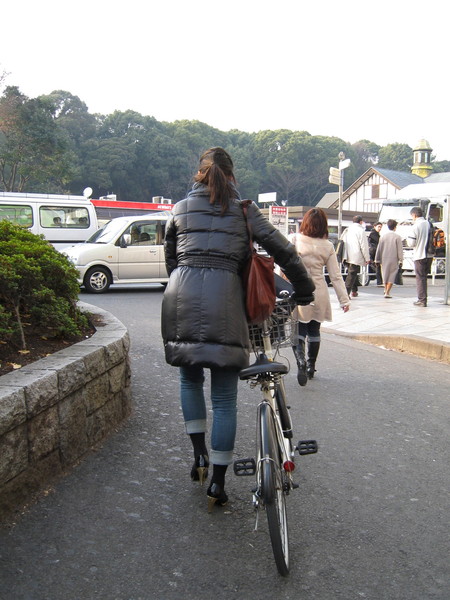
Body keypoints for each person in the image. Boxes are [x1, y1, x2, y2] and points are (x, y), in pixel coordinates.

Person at [161, 147, 315, 511]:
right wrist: (305, 290)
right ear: (231, 176)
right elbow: (285, 254)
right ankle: (217, 480)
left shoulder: (180, 208)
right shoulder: (245, 211)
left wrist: (186, 282)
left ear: (199, 174)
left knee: (189, 380)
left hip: (180, 296)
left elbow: (170, 256)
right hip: (225, 302)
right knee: (225, 398)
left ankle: (198, 457)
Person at [292, 208, 350, 383]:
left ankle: (300, 361)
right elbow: (335, 276)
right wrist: (344, 300)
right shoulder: (328, 246)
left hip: (300, 290)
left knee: (299, 329)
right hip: (319, 292)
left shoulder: (295, 240)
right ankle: (311, 366)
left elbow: (285, 268)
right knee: (314, 330)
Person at [407, 206, 434, 307]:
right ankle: (423, 298)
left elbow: (411, 243)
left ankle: (422, 300)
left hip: (420, 254)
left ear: (414, 215)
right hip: (430, 254)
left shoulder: (416, 226)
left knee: (420, 278)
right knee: (424, 277)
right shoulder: (429, 223)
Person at [341, 215, 370, 298]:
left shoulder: (347, 229)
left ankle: (354, 291)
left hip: (346, 255)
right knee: (352, 274)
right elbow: (364, 246)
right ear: (361, 222)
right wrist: (367, 258)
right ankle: (346, 294)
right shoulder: (361, 231)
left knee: (352, 273)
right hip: (355, 255)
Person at [374, 219, 403, 298]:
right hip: (394, 258)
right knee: (392, 275)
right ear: (395, 227)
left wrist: (377, 259)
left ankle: (385, 290)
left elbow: (379, 249)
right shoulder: (397, 237)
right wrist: (401, 260)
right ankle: (387, 292)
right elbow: (400, 250)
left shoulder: (383, 237)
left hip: (384, 258)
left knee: (385, 274)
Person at [368, 222, 383, 286]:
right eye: (378, 226)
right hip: (374, 253)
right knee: (377, 267)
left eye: (380, 227)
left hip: (374, 252)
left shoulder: (375, 234)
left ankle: (379, 281)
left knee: (377, 267)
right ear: (374, 226)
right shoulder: (373, 234)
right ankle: (379, 282)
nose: (380, 228)